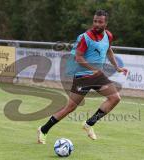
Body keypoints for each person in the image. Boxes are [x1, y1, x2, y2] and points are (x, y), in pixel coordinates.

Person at [37, 9, 128, 144]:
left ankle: (89, 124)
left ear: (106, 24)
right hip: (82, 77)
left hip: (97, 75)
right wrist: (93, 69)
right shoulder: (85, 37)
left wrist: (117, 67)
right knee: (70, 108)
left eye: (100, 22)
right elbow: (78, 58)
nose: (96, 24)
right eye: (95, 21)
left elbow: (109, 50)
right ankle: (43, 129)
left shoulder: (108, 36)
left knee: (115, 98)